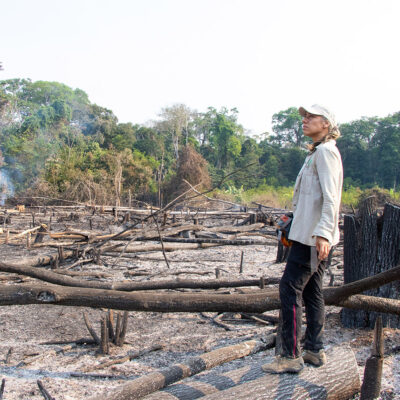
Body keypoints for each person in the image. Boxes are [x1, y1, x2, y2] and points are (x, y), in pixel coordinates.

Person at [263, 104, 343, 374]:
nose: (305, 120)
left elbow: (332, 199)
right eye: (304, 117)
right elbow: (313, 199)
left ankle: (290, 356)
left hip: (313, 237)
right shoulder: (317, 153)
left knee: (289, 288)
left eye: (311, 117)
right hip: (311, 233)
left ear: (326, 124)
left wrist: (322, 234)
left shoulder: (326, 153)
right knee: (312, 291)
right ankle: (314, 350)